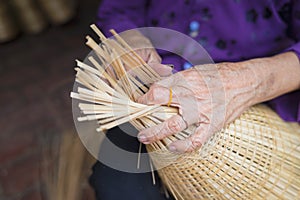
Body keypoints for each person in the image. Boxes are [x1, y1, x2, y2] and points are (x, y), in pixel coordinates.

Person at [89, 0, 300, 199]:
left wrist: (249, 81)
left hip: (255, 98)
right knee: (117, 187)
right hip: (155, 92)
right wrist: (130, 40)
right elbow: (120, 9)